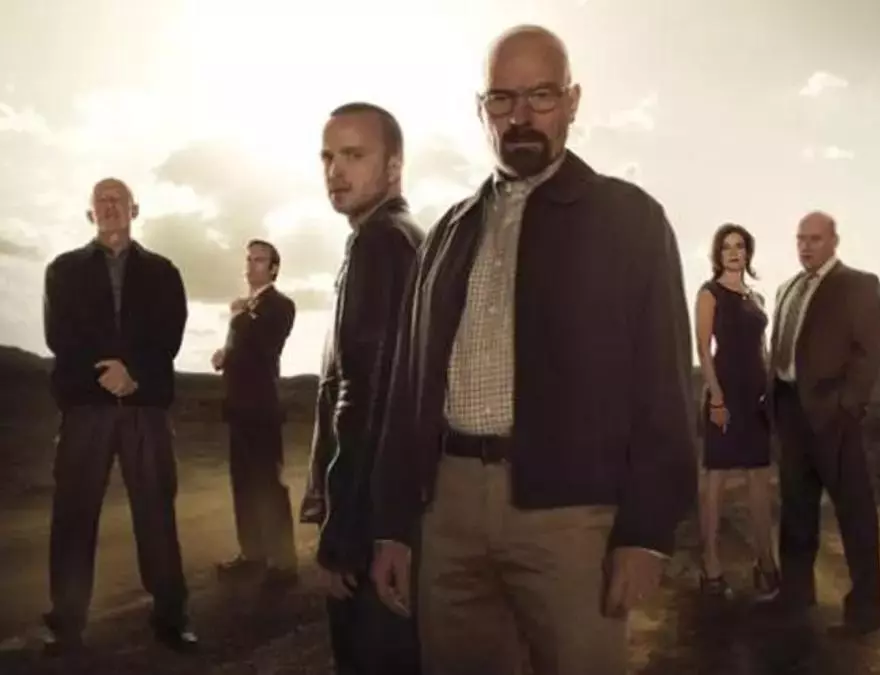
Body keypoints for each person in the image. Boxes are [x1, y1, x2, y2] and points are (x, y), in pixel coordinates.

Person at [369, 24, 696, 675]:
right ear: (481, 109)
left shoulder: (630, 218)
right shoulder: (447, 231)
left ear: (572, 102)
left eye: (541, 96)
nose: (520, 116)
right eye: (502, 98)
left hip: (571, 517)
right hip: (450, 508)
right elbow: (408, 386)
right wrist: (393, 523)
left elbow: (665, 383)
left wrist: (646, 532)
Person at [40, 177, 196, 654]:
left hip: (144, 408)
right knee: (74, 515)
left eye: (118, 200)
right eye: (101, 201)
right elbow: (60, 336)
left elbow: (169, 334)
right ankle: (66, 622)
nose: (110, 206)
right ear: (90, 213)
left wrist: (135, 376)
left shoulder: (163, 272)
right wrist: (106, 374)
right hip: (86, 408)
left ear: (134, 209)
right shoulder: (62, 270)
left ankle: (171, 617)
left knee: (156, 514)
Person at [298, 102, 424, 674]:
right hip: (397, 512)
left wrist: (342, 535)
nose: (335, 171)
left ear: (393, 166)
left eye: (353, 155)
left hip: (373, 521)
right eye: (327, 157)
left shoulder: (378, 242)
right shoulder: (406, 236)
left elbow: (365, 397)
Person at [768, 210, 880, 636]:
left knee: (855, 514)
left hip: (834, 418)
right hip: (791, 412)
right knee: (796, 510)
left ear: (834, 241)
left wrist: (847, 405)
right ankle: (795, 593)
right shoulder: (786, 288)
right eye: (800, 238)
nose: (805, 246)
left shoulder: (858, 284)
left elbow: (872, 348)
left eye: (815, 239)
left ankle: (865, 611)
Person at [694, 223, 778, 600]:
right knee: (716, 480)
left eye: (739, 246)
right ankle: (711, 567)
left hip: (756, 397)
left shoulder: (756, 297)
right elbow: (703, 347)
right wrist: (716, 398)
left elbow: (762, 348)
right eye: (726, 246)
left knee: (759, 479)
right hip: (725, 394)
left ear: (747, 252)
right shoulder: (709, 293)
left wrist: (770, 390)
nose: (733, 252)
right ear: (718, 254)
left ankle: (766, 564)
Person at [211, 239, 299, 588]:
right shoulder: (246, 309)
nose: (250, 265)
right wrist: (224, 354)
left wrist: (239, 318)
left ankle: (284, 563)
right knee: (244, 483)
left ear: (274, 268)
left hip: (262, 408)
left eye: (259, 260)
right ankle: (252, 554)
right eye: (248, 259)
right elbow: (243, 350)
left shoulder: (281, 305)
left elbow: (265, 346)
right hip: (239, 407)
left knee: (268, 484)